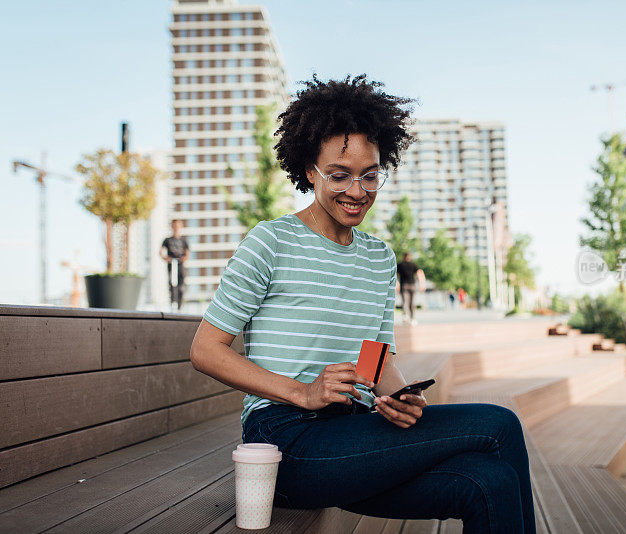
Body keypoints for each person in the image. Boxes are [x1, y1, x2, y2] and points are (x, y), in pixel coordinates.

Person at [189, 74, 536, 533]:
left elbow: (375, 357)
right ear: (309, 170)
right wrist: (302, 392)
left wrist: (394, 396)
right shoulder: (270, 242)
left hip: (355, 433)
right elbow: (205, 350)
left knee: (489, 482)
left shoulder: (378, 258)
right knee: (499, 425)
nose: (357, 191)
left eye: (370, 175)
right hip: (286, 442)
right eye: (339, 175)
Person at [160, 219, 189, 311]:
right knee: (172, 284)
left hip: (180, 264)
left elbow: (187, 253)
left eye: (178, 225)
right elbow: (160, 251)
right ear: (172, 226)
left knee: (181, 284)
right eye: (174, 225)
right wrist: (166, 258)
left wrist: (184, 258)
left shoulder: (184, 240)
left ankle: (180, 305)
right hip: (171, 264)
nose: (176, 227)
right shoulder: (167, 240)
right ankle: (173, 303)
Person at [397, 252, 425, 325]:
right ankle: (412, 318)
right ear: (409, 257)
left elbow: (395, 274)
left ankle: (406, 316)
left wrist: (397, 284)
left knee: (405, 302)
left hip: (404, 285)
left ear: (403, 257)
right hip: (412, 285)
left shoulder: (400, 265)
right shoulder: (413, 264)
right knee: (411, 302)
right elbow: (420, 273)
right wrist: (422, 283)